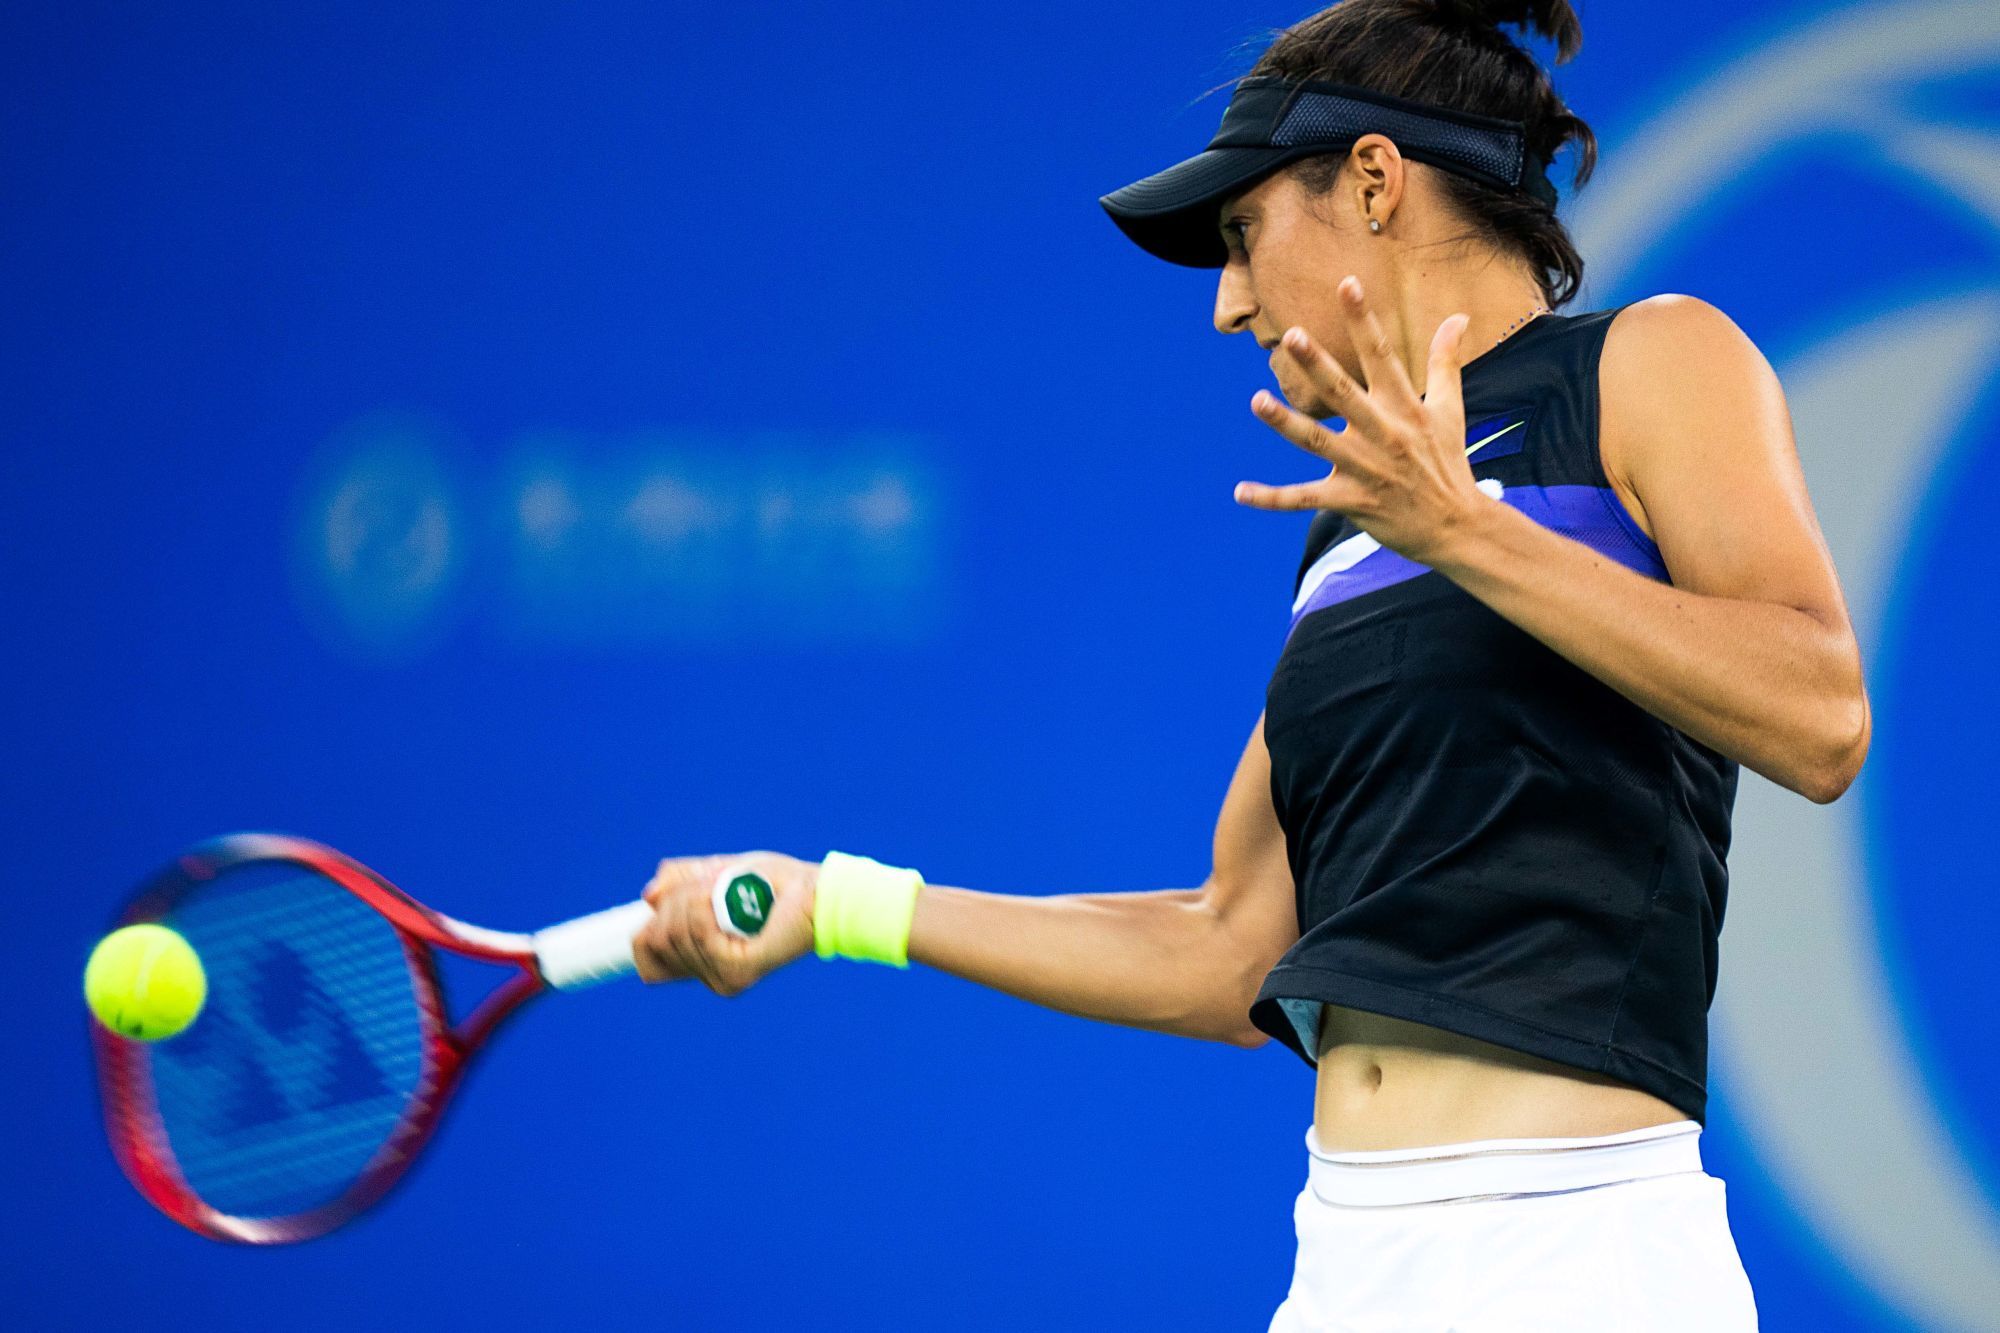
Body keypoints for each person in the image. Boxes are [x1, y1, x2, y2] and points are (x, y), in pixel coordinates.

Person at [631, 0, 1869, 1326]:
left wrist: (1467, 533)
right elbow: (1231, 944)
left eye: (1242, 234)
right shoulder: (1356, 521)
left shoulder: (1649, 363)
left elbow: (1818, 713)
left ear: (1376, 180)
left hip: (1583, 1251)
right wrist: (836, 902)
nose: (1226, 306)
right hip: (1344, 1259)